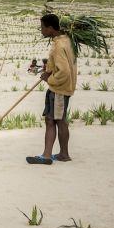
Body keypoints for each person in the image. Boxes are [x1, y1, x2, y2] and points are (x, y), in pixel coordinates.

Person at [27, 14, 76, 165]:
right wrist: (48, 70)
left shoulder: (59, 46)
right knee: (57, 120)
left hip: (59, 89)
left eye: (42, 27)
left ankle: (47, 155)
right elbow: (60, 64)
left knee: (53, 121)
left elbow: (64, 71)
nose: (41, 30)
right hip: (61, 88)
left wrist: (50, 79)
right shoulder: (65, 40)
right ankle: (63, 154)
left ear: (49, 28)